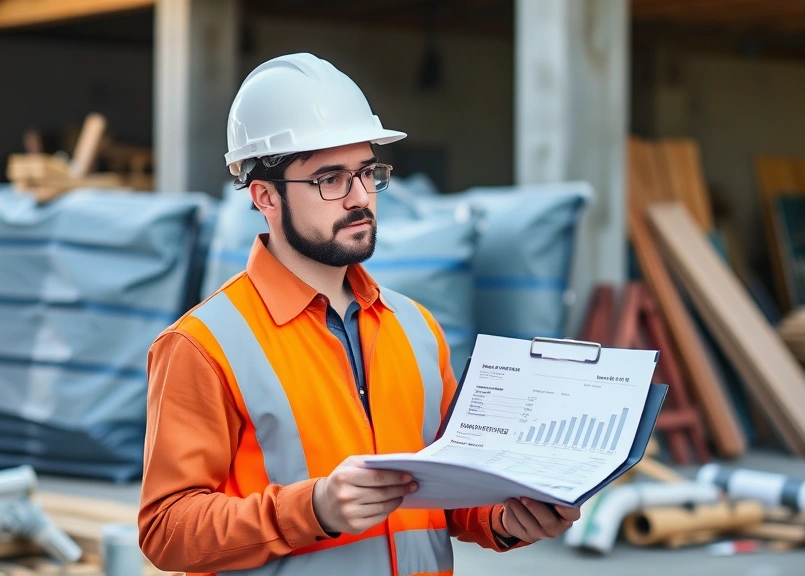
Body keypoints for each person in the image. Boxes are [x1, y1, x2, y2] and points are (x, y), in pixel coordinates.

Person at [137, 53, 580, 575]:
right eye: (330, 179)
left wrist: (504, 519)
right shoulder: (202, 346)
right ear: (264, 197)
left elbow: (449, 490)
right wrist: (315, 509)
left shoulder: (416, 328)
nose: (360, 197)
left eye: (368, 172)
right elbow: (166, 530)